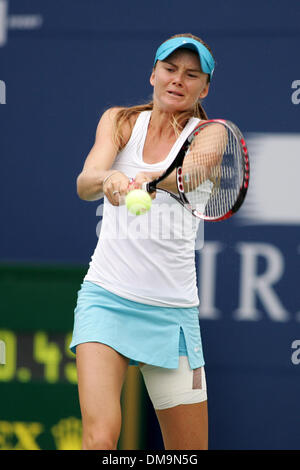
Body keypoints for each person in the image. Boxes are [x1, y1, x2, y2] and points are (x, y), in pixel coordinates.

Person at [70, 33, 215, 450]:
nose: (177, 80)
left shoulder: (210, 135)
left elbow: (190, 175)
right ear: (153, 74)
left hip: (172, 317)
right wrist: (110, 178)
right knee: (99, 440)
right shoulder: (118, 121)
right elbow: (85, 183)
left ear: (203, 89)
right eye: (170, 70)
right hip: (106, 299)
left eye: (191, 75)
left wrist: (150, 179)